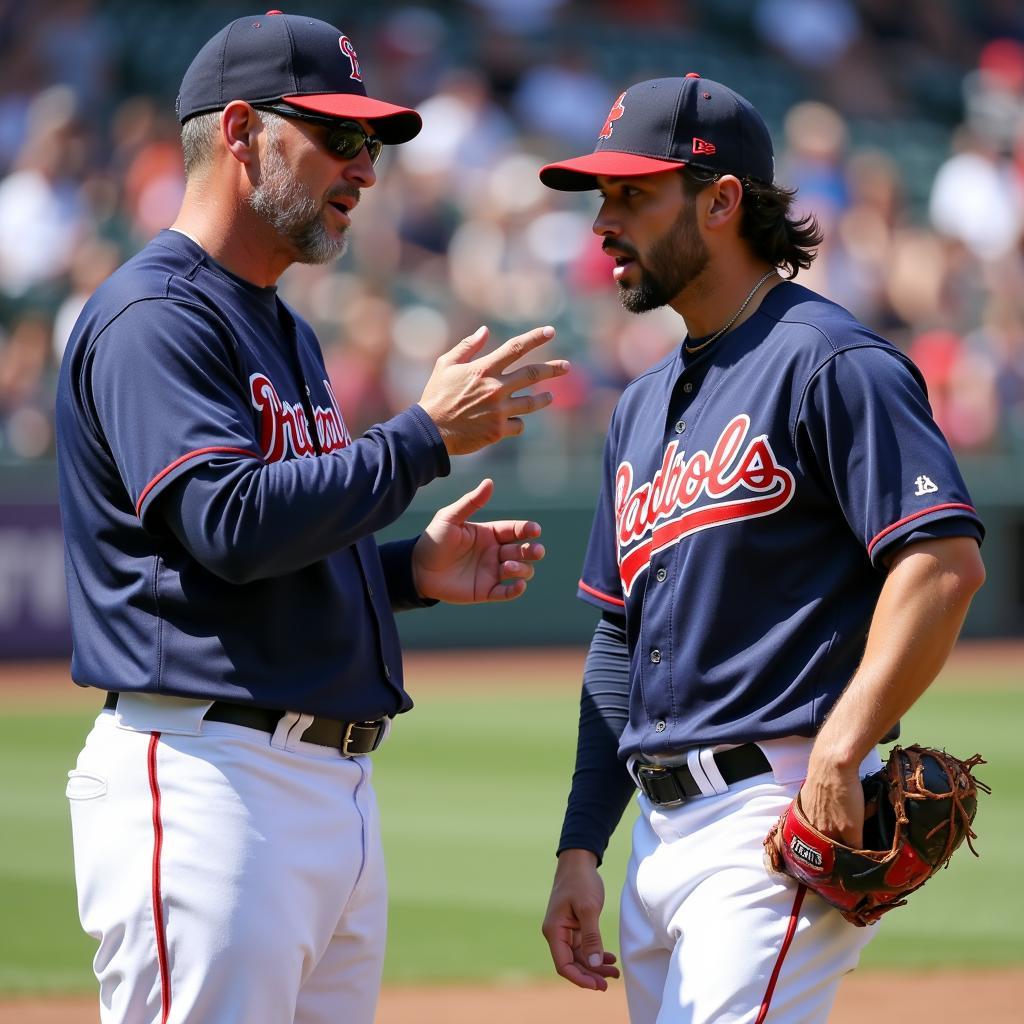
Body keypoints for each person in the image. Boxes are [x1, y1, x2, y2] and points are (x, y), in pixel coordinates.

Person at [57, 13, 568, 1024]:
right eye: (339, 138)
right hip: (209, 780)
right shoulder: (158, 314)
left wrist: (401, 575)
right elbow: (230, 524)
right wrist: (421, 437)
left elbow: (252, 556)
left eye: (369, 144)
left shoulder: (276, 320)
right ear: (241, 132)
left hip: (317, 790)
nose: (364, 169)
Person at [537, 74, 985, 1023]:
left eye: (632, 195)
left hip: (776, 810)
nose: (603, 223)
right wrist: (583, 843)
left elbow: (942, 562)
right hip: (659, 834)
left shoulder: (833, 361)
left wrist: (843, 747)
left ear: (722, 199)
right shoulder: (640, 406)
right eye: (602, 198)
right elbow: (620, 641)